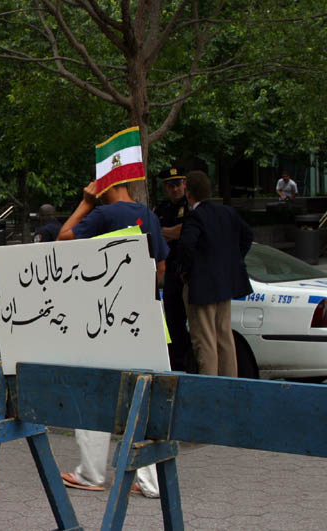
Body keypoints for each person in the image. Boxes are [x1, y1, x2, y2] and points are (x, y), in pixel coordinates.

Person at [56, 180, 169, 499]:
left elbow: (62, 239)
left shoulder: (103, 214)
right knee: (144, 396)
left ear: (105, 185)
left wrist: (85, 203)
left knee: (93, 390)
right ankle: (150, 481)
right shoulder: (150, 215)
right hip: (144, 319)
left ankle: (91, 473)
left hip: (105, 319)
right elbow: (160, 267)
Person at [177, 170, 253, 377]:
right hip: (225, 284)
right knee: (224, 337)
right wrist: (233, 262)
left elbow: (186, 245)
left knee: (205, 340)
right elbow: (247, 236)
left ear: (189, 193)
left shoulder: (195, 216)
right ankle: (230, 384)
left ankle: (209, 388)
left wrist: (186, 270)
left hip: (201, 287)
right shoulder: (227, 213)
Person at [153, 168, 194, 373]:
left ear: (185, 185)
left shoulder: (190, 207)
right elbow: (151, 231)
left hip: (186, 273)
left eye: (179, 184)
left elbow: (182, 232)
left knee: (194, 327)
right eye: (171, 185)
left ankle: (190, 365)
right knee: (173, 323)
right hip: (169, 272)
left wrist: (163, 232)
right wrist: (167, 233)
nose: (176, 188)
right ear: (165, 187)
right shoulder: (161, 208)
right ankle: (178, 365)